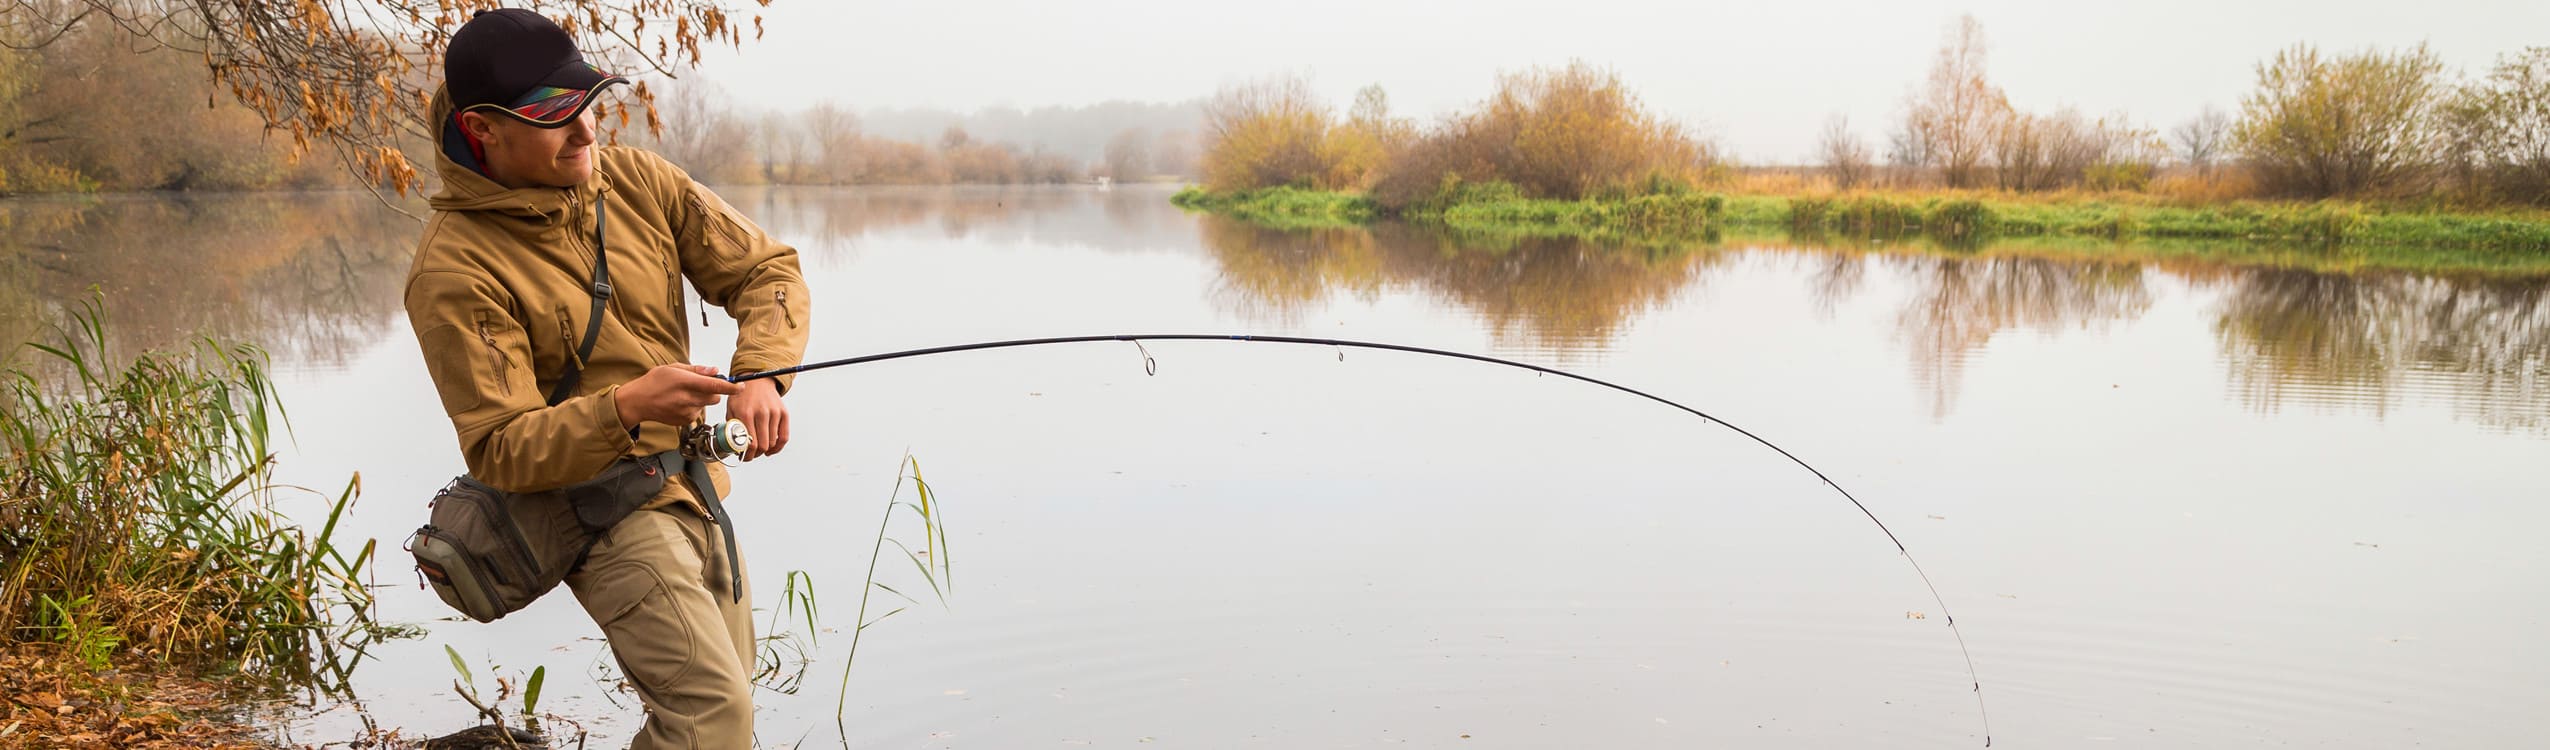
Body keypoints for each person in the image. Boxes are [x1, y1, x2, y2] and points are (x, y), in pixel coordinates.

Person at [404, 9, 808, 747]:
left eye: (588, 103)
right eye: (555, 116)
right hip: (604, 515)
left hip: (699, 490)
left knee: (726, 712)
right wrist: (625, 408)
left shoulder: (638, 181)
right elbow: (501, 447)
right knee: (713, 720)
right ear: (483, 129)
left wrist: (764, 377)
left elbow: (765, 269)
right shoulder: (453, 269)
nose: (587, 132)